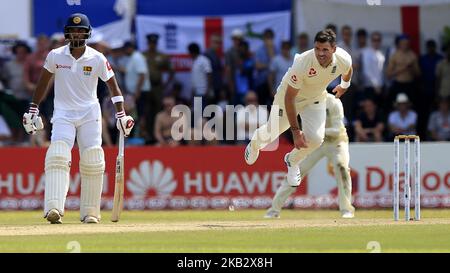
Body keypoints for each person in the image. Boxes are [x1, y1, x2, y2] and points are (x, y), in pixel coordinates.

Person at [22, 13, 135, 224]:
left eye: (80, 30)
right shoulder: (55, 55)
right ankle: (54, 208)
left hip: (89, 114)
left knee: (92, 159)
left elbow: (114, 87)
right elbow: (42, 84)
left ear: (87, 33)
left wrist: (121, 114)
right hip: (63, 114)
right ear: (67, 32)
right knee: (58, 155)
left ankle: (90, 212)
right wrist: (33, 108)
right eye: (73, 30)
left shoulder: (97, 57)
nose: (76, 33)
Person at [244, 29, 353, 189]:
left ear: (334, 49)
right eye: (317, 49)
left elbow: (348, 70)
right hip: (288, 97)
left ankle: (292, 160)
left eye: (325, 49)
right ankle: (255, 143)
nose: (320, 53)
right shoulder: (303, 62)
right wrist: (296, 132)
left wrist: (344, 85)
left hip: (315, 98)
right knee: (270, 134)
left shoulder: (343, 59)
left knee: (316, 139)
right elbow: (290, 98)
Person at [265, 93, 355, 218]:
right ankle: (274, 210)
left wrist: (317, 133)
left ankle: (346, 210)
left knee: (342, 168)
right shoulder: (306, 101)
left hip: (336, 142)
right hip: (314, 144)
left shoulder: (333, 102)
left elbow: (337, 129)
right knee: (296, 170)